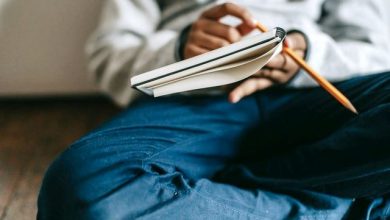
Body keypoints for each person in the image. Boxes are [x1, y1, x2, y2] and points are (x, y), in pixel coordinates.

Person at [38, 0, 390, 219]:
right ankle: (357, 211)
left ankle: (212, 192)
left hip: (314, 93)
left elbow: (376, 47)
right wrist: (178, 51)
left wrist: (307, 54)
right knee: (83, 185)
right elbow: (109, 54)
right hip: (189, 101)